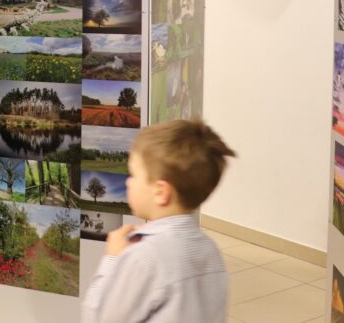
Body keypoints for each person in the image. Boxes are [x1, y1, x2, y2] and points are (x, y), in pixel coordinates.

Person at [81, 119, 236, 323]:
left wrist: (113, 259)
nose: (128, 182)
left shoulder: (143, 258)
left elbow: (100, 319)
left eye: (133, 175)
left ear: (161, 192)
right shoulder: (210, 249)